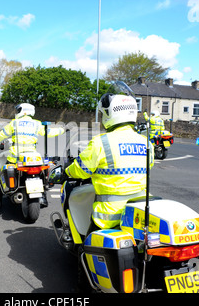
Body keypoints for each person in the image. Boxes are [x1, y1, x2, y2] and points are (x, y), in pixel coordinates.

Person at [65, 93, 154, 231]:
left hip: (109, 216)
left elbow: (81, 170)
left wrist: (67, 171)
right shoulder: (146, 142)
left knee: (88, 247)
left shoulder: (101, 142)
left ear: (109, 114)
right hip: (140, 212)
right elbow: (148, 166)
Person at [0, 103, 65, 211]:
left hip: (16, 157)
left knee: (1, 175)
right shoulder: (36, 124)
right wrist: (62, 130)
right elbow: (49, 132)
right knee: (41, 172)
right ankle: (43, 196)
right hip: (32, 157)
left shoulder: (14, 123)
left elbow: (2, 134)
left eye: (18, 110)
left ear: (22, 110)